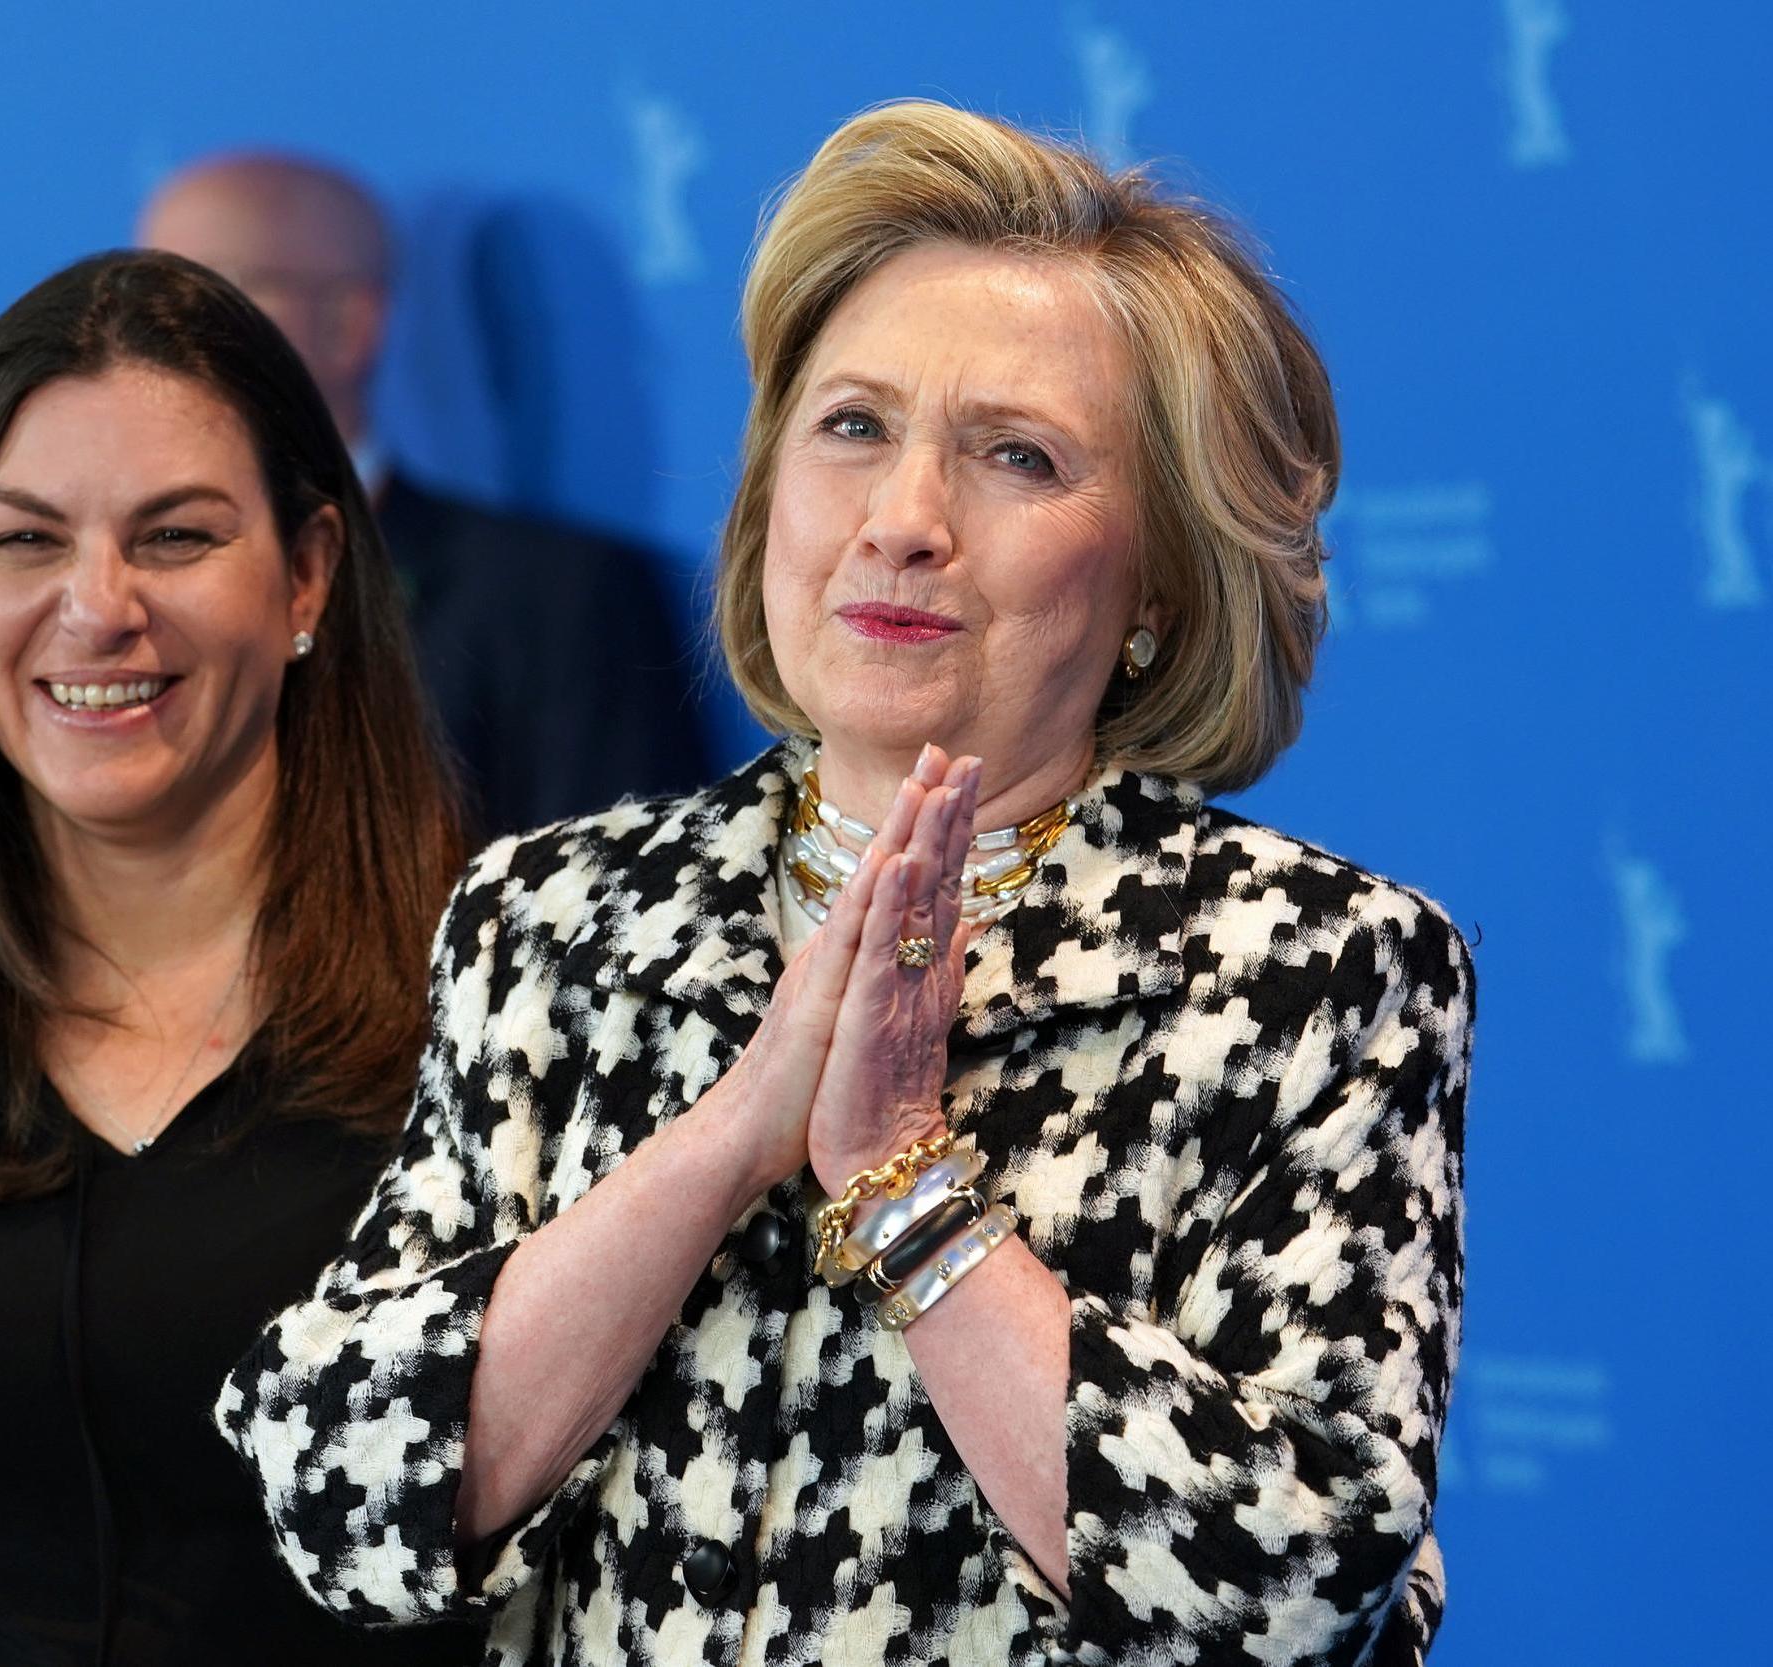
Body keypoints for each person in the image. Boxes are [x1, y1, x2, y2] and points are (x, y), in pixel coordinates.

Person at [218, 103, 1470, 1666]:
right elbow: (336, 1493)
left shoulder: (1311, 969)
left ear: (1158, 575)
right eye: (852, 426)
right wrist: (733, 1135)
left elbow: (1291, 1588)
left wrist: (897, 1179)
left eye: (1016, 455)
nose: (902, 521)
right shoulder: (548, 918)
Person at [0, 252, 475, 1665]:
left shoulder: (497, 1009)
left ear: (308, 573)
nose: (95, 606)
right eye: (24, 541)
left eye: (176, 536)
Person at [138, 153, 711, 839]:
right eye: (139, 302)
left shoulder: (560, 600)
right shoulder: (99, 601)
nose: (149, 343)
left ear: (346, 326)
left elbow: (626, 909)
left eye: (204, 298)